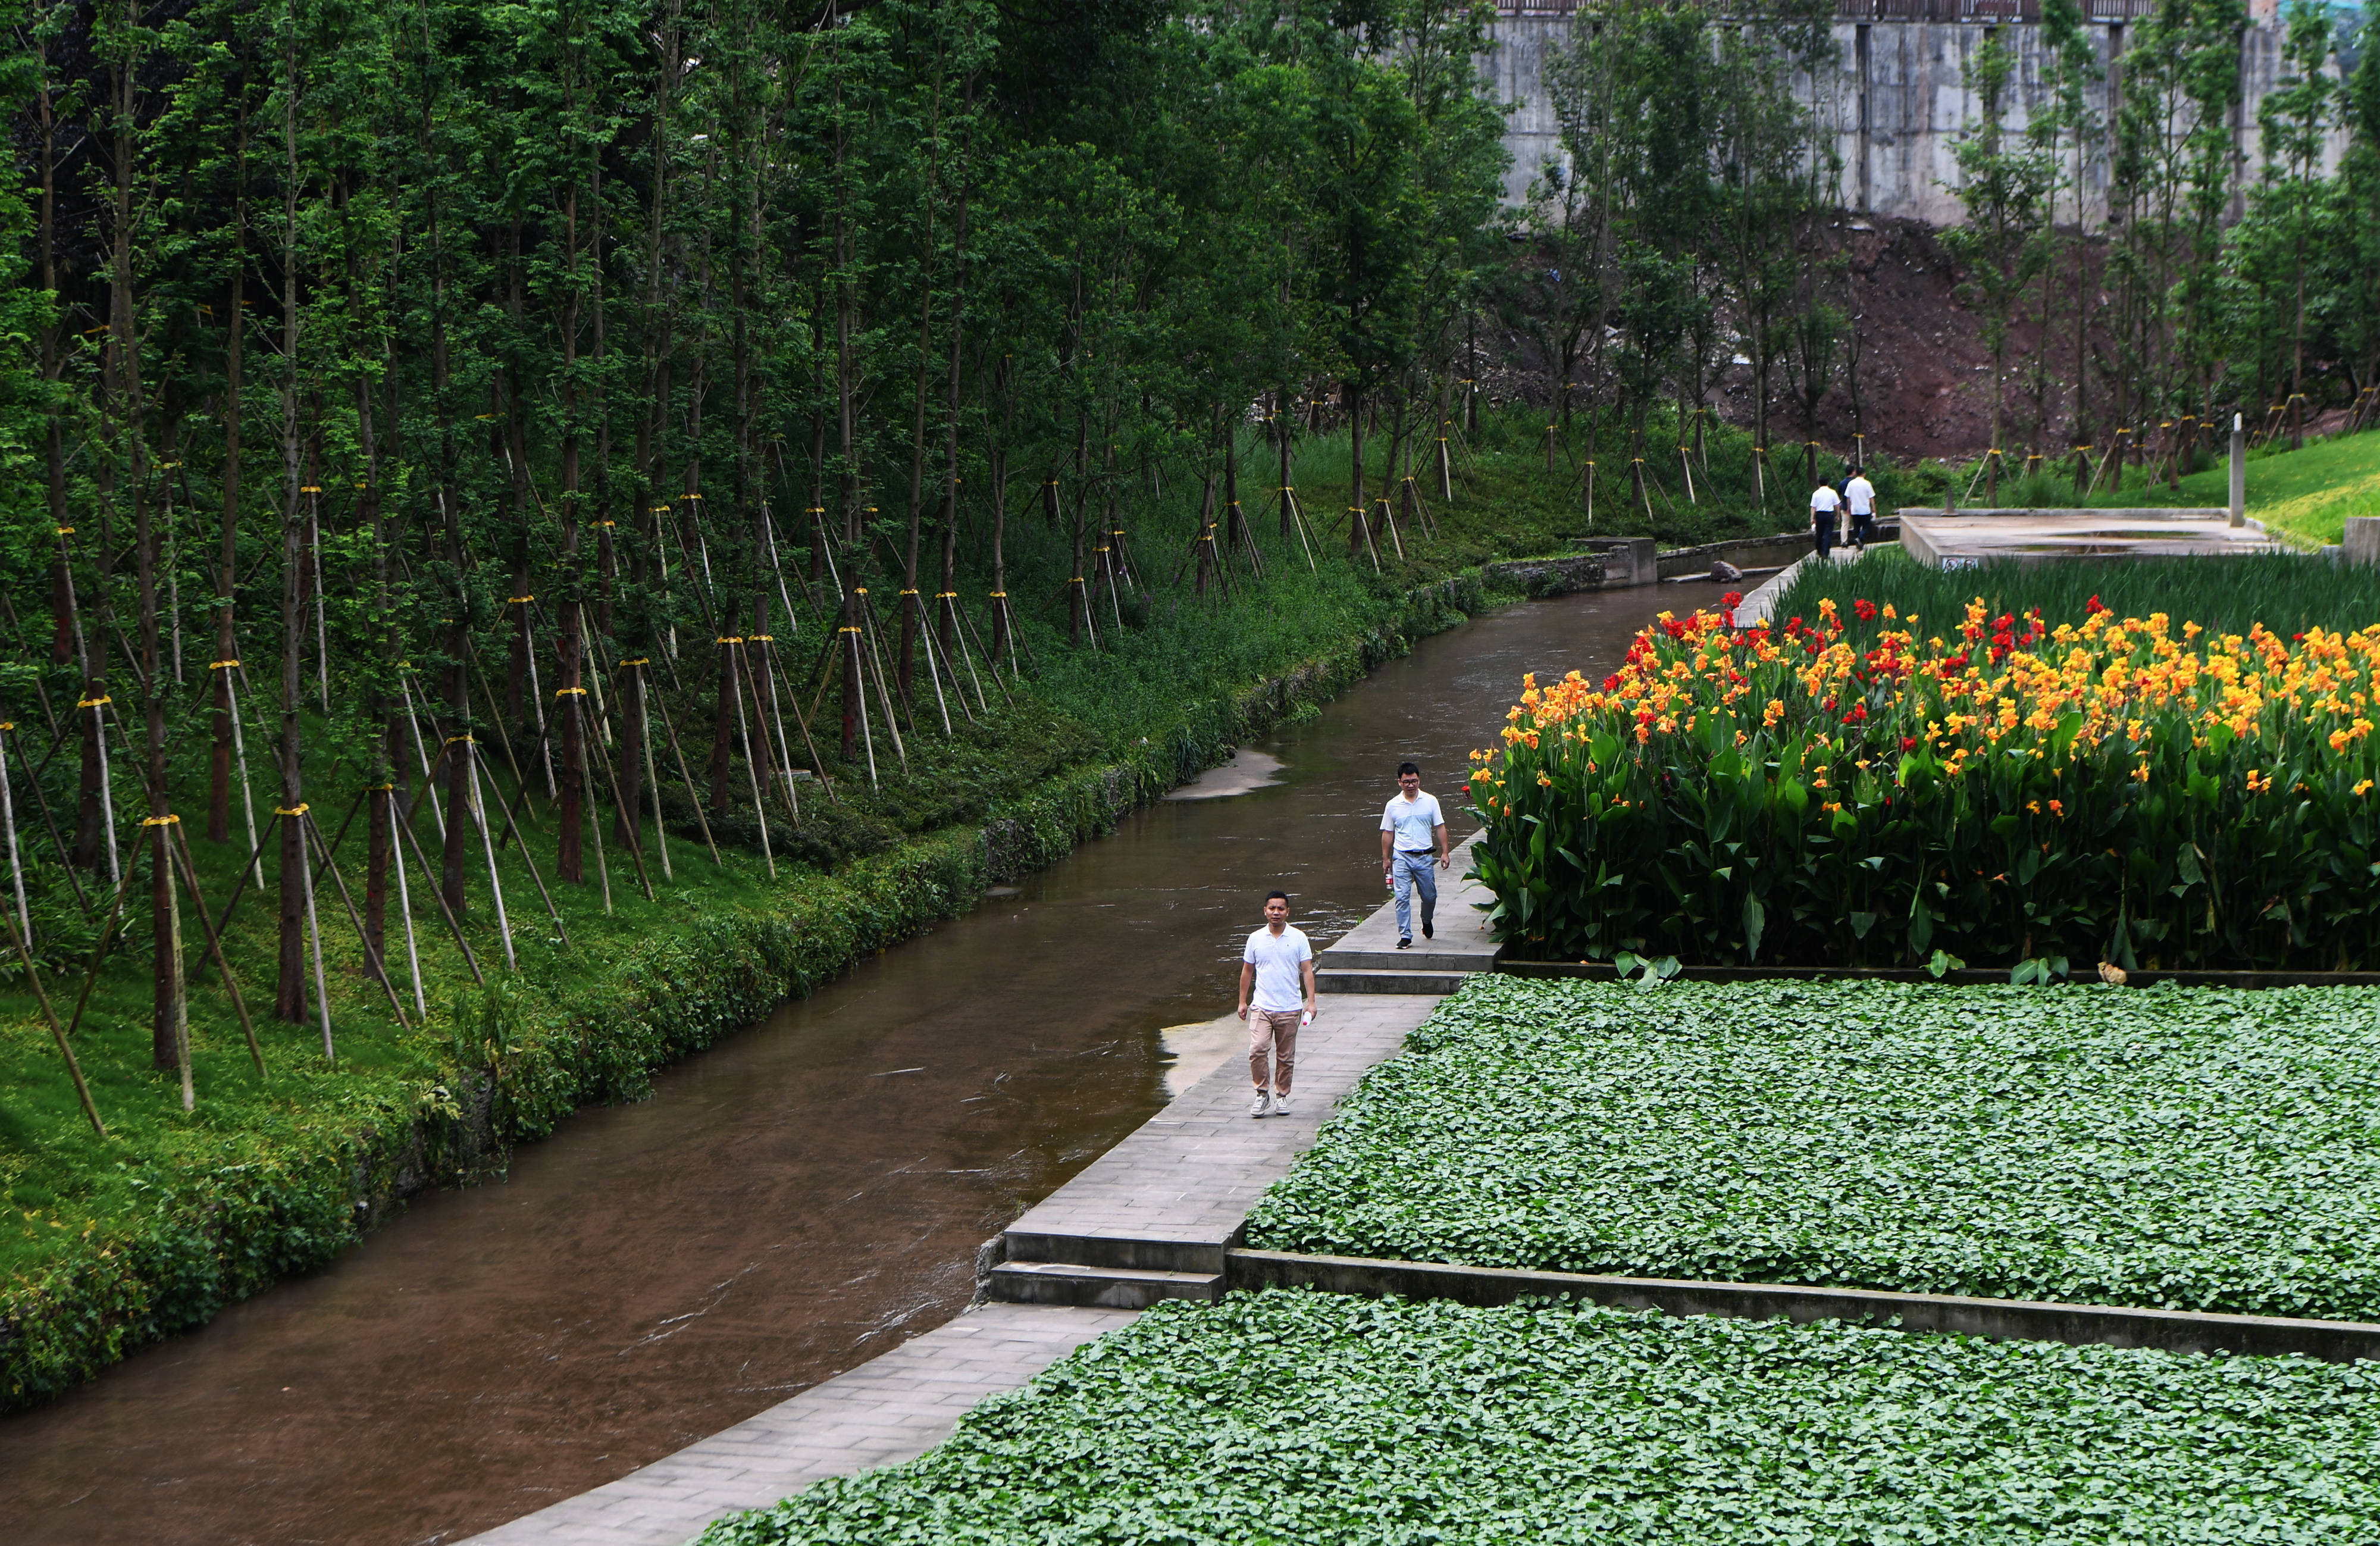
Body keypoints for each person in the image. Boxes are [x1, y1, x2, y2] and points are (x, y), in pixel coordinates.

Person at [1238, 890, 1316, 1118]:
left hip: (1290, 1007)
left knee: (1285, 1056)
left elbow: (1307, 970)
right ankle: (1262, 1094)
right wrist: (1243, 1001)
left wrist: (1311, 1003)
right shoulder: (1255, 938)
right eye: (1272, 908)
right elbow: (1247, 971)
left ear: (1288, 912)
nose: (1276, 913)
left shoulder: (1299, 937)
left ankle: (1281, 1096)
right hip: (1261, 1006)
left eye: (1281, 909)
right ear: (1265, 911)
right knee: (1257, 1049)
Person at [1379, 761, 1450, 949]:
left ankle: (1426, 920)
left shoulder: (1430, 801)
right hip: (1401, 856)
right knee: (1402, 897)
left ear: (1419, 780)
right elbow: (1387, 833)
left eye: (1414, 781)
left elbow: (1440, 827)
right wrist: (1386, 858)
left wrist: (1445, 852)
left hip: (1425, 857)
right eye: (1407, 782)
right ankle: (1405, 935)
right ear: (1399, 783)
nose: (1411, 785)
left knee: (1429, 897)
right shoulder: (1393, 805)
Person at [1844, 467, 1878, 550]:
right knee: (1867, 527)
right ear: (1864, 474)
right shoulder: (1867, 483)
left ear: (1856, 473)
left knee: (1857, 527)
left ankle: (1859, 544)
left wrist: (1849, 507)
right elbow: (1871, 498)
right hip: (1865, 509)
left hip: (1855, 509)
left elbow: (1848, 498)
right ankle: (1860, 538)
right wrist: (1873, 508)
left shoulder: (1851, 483)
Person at [1809, 477, 1842, 559]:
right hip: (1829, 515)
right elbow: (1837, 505)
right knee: (1828, 534)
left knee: (1819, 534)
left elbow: (1813, 507)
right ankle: (1826, 552)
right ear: (1828, 483)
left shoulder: (1816, 493)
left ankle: (1819, 549)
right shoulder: (1832, 492)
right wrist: (1838, 515)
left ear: (1819, 484)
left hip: (1820, 515)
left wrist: (1812, 518)